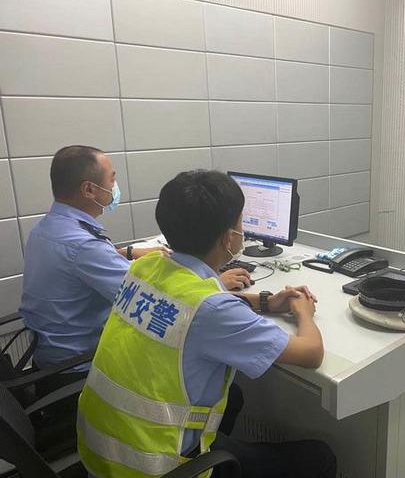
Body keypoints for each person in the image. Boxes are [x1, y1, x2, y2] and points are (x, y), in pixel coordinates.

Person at [76, 169, 336, 478]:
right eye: (241, 222)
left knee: (234, 396)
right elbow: (311, 353)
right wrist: (303, 311)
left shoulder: (144, 266)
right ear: (229, 237)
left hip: (100, 451)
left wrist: (264, 301)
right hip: (151, 468)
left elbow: (191, 302)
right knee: (319, 457)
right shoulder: (212, 310)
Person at [19, 145, 252, 393]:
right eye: (112, 179)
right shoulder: (83, 246)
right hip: (79, 367)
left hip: (49, 356)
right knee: (224, 385)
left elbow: (81, 263)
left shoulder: (48, 229)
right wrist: (214, 282)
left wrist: (127, 253)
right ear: (89, 190)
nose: (115, 186)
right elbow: (152, 296)